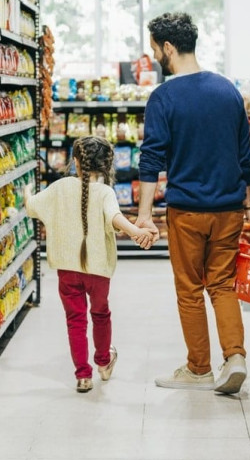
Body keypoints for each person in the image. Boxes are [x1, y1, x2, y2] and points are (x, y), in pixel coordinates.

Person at [136, 12, 250, 395]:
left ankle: (198, 369)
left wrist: (144, 215)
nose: (155, 55)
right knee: (223, 284)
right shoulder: (228, 90)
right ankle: (235, 357)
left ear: (169, 47)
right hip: (228, 211)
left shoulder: (164, 97)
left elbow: (151, 159)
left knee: (190, 289)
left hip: (188, 211)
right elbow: (246, 157)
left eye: (155, 48)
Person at [25, 136, 155, 393]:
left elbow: (32, 207)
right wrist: (135, 232)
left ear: (75, 162)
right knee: (100, 314)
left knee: (75, 320)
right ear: (108, 165)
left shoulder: (60, 187)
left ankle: (83, 376)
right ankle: (104, 363)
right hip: (98, 270)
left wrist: (27, 192)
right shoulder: (105, 192)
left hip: (67, 269)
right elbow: (114, 218)